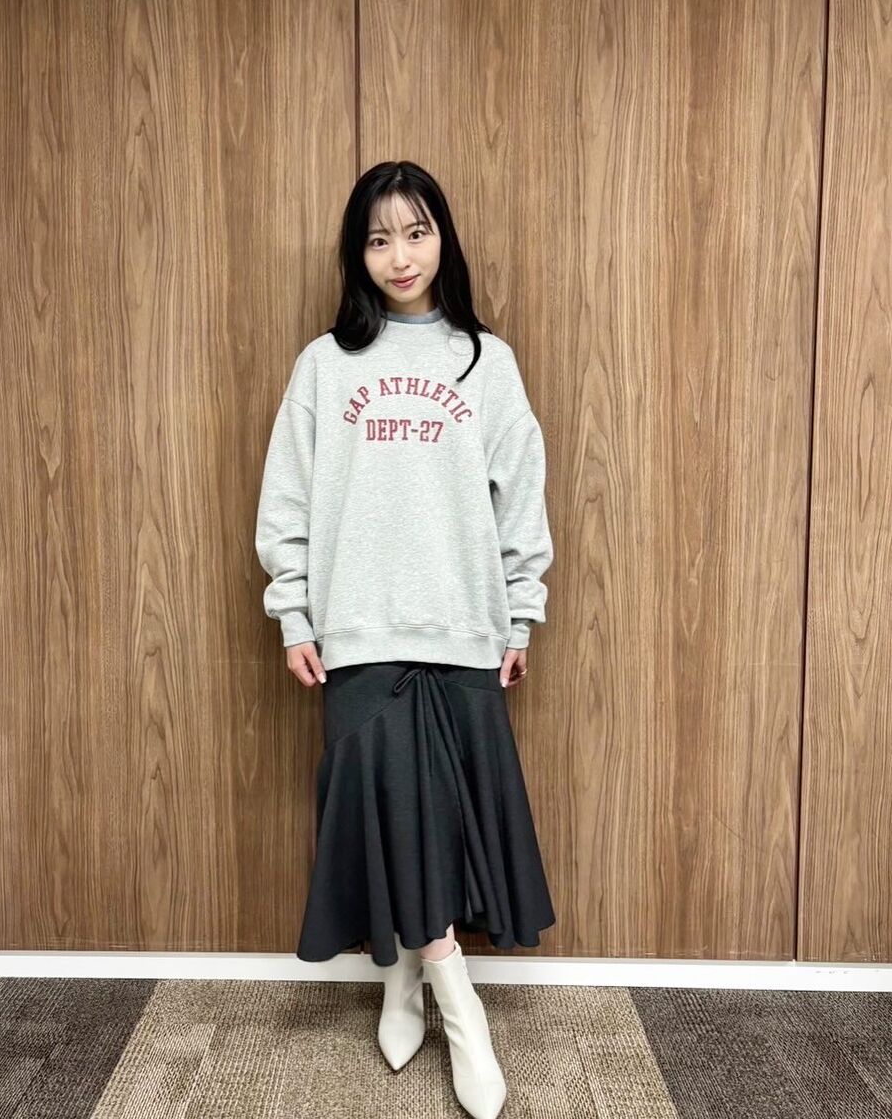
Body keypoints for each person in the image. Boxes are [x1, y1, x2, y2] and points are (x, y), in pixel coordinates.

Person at [255, 159, 556, 1119]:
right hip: (356, 625)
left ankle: (401, 981)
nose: (399, 255)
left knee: (443, 819)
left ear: (441, 240)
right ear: (358, 252)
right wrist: (294, 610)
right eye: (379, 237)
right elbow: (287, 499)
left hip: (463, 623)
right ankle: (457, 1003)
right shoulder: (323, 364)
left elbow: (521, 495)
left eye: (416, 232)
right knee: (387, 809)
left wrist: (519, 608)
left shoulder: (485, 361)